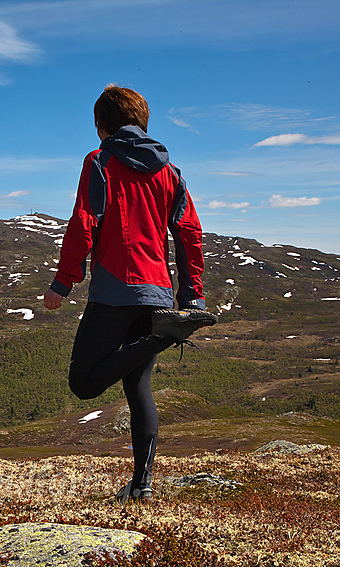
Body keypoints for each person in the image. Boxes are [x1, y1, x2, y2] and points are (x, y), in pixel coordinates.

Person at [43, 85, 216, 503]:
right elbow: (189, 234)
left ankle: (160, 336)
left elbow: (85, 220)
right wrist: (192, 296)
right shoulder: (170, 172)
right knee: (138, 390)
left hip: (114, 292)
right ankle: (142, 486)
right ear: (142, 120)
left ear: (102, 125)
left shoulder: (100, 161)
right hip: (158, 294)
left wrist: (63, 282)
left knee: (83, 383)